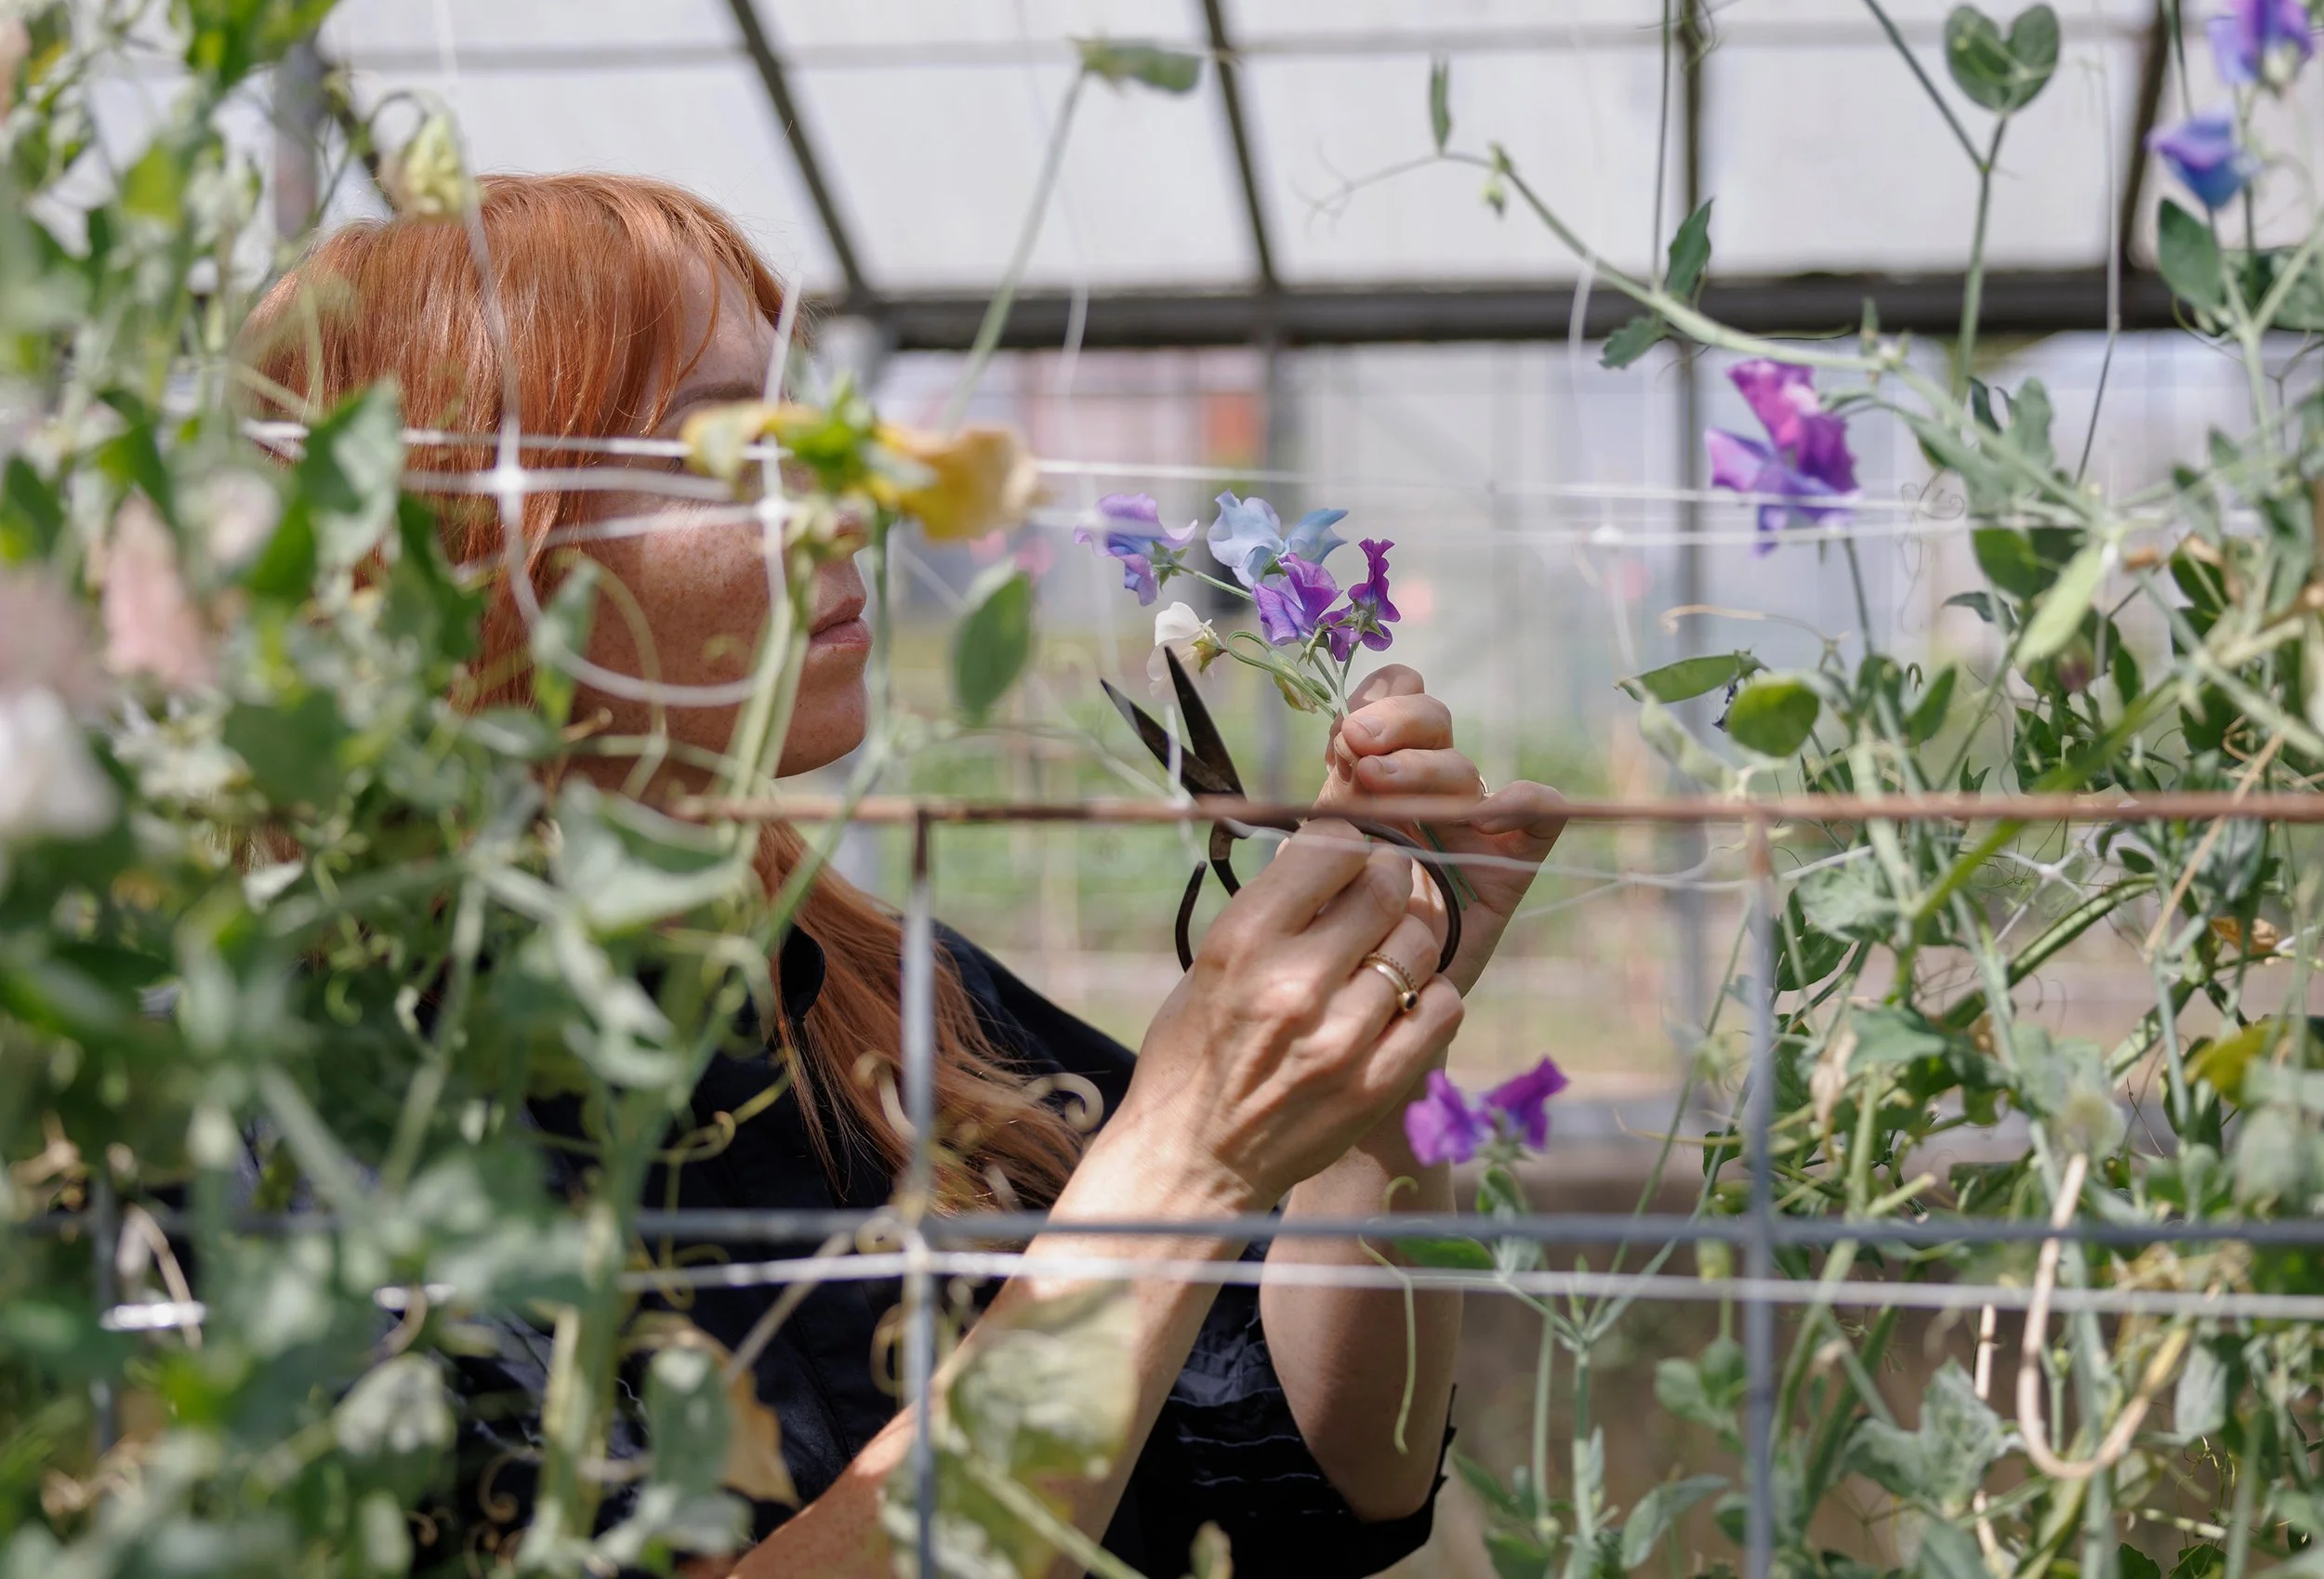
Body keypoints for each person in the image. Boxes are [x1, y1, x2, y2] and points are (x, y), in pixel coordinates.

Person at [245, 174, 1565, 1577]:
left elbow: (1321, 1474)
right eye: (723, 443)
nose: (838, 496)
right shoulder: (332, 1114)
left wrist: (1380, 1034)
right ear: (467, 549)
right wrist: (1180, 1157)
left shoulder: (875, 986)